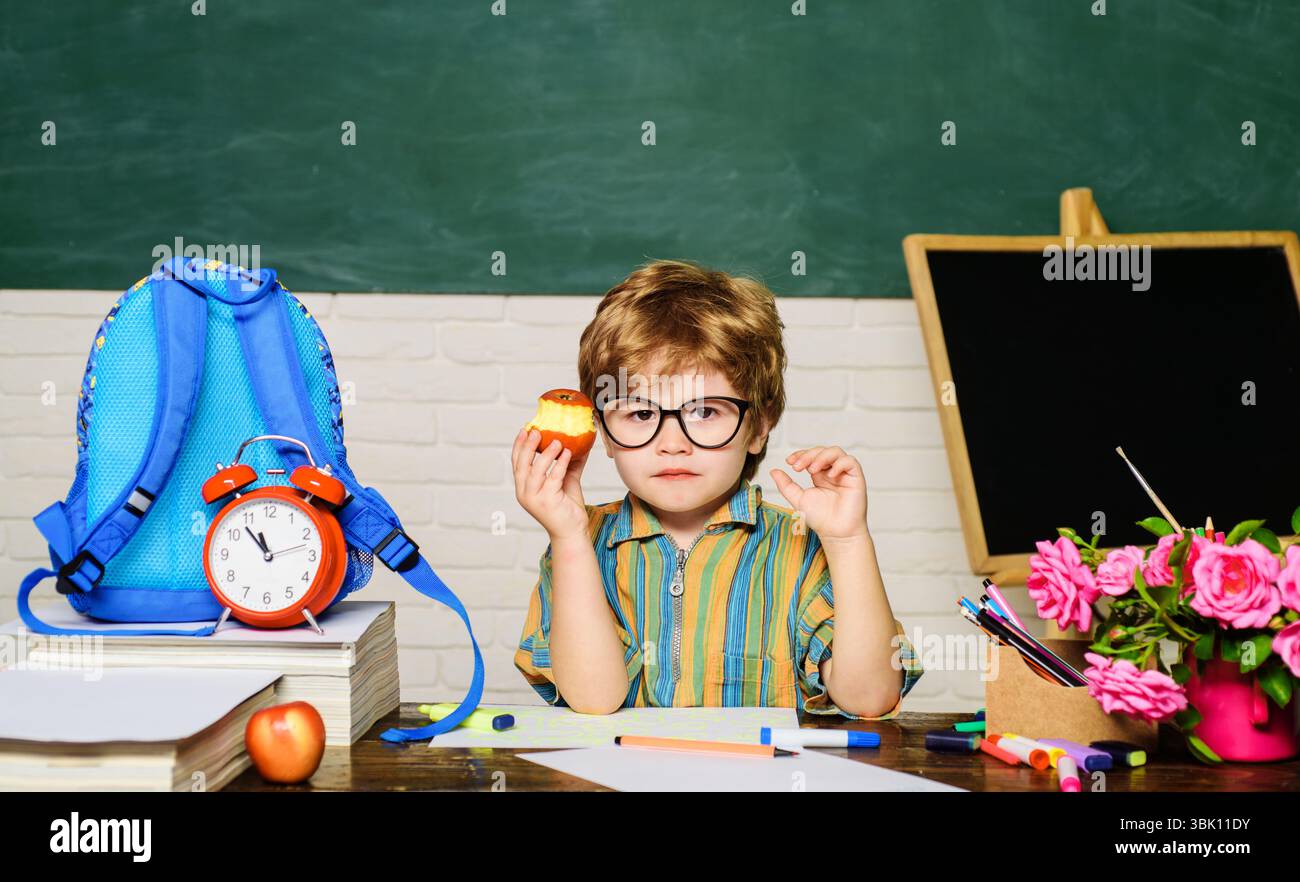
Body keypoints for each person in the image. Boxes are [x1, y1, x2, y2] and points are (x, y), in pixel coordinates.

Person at [512, 259, 922, 719]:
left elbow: (869, 698)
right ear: (604, 431)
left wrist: (848, 542)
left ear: (759, 426)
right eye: (641, 414)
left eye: (705, 412)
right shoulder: (579, 545)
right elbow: (595, 700)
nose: (672, 444)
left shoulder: (802, 544)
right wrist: (568, 538)